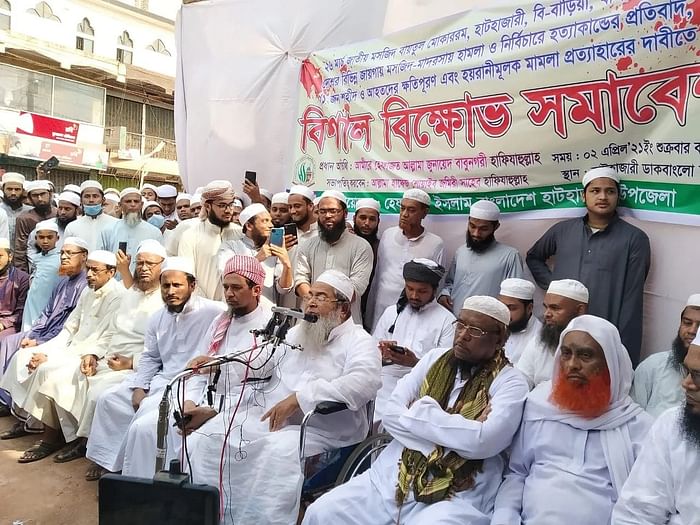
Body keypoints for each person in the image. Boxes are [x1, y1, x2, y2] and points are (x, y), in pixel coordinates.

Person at [303, 296, 529, 525]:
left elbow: (484, 442)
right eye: (460, 325)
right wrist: (462, 430)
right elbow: (391, 415)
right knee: (322, 512)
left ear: (500, 339)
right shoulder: (433, 359)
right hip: (392, 477)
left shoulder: (511, 383)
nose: (463, 335)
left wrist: (421, 410)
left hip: (457, 492)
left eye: (476, 330)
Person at [184, 270, 381, 524]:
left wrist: (301, 398)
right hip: (273, 420)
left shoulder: (360, 342)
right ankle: (213, 517)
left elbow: (364, 382)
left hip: (321, 429)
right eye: (310, 295)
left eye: (320, 297)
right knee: (209, 438)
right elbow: (260, 361)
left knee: (276, 452)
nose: (310, 301)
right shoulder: (298, 332)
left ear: (342, 309)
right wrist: (218, 364)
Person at [492, 315, 653, 525]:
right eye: (566, 354)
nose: (572, 365)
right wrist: (504, 518)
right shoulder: (538, 406)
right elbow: (516, 474)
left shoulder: (638, 427)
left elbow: (642, 505)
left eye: (586, 355)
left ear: (610, 364)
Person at [85, 257, 225, 479]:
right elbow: (150, 356)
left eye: (177, 285)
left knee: (144, 424)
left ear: (192, 285)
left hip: (190, 384)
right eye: (166, 285)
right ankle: (109, 461)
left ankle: (136, 475)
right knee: (108, 400)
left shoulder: (214, 311)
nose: (170, 291)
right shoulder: (157, 317)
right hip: (161, 378)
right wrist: (141, 386)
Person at [0, 251, 125, 462]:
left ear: (112, 272)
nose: (90, 274)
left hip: (95, 354)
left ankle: (53, 437)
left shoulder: (118, 296)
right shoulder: (88, 292)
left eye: (96, 270)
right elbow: (69, 329)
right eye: (89, 269)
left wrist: (59, 356)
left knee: (49, 371)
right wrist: (47, 351)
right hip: (72, 348)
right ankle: (30, 422)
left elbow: (108, 337)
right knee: (23, 357)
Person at [526, 166, 651, 366]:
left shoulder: (635, 239)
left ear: (618, 197)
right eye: (595, 191)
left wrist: (623, 354)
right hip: (560, 332)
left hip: (601, 336)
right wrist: (555, 287)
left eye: (610, 191)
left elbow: (631, 300)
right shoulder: (562, 231)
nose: (603, 196)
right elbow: (534, 257)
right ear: (584, 196)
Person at [74, 240, 165, 476]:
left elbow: (164, 349)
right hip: (110, 359)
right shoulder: (130, 294)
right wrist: (92, 354)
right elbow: (111, 331)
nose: (144, 268)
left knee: (99, 396)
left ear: (162, 267)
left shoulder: (166, 300)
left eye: (151, 264)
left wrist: (131, 362)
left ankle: (103, 456)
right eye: (141, 262)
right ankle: (85, 445)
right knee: (74, 376)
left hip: (136, 366)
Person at [611, 335, 700, 524]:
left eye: (698, 375)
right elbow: (636, 513)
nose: (686, 384)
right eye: (688, 372)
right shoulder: (672, 425)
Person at [0, 237, 89, 416]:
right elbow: (46, 313)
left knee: (23, 354)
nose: (64, 257)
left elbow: (70, 325)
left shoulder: (85, 284)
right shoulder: (63, 281)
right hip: (42, 330)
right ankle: (5, 400)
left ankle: (25, 413)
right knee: (11, 342)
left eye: (70, 253)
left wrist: (39, 340)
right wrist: (32, 333)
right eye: (62, 253)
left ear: (84, 256)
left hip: (60, 337)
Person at [372, 259, 455, 421]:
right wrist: (382, 353)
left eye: (422, 291)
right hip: (382, 386)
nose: (414, 296)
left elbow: (447, 370)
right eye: (410, 289)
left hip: (419, 392)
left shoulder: (447, 321)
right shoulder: (392, 313)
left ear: (434, 290)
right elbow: (371, 350)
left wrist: (415, 362)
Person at [367, 189, 443, 330]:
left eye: (411, 210)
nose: (404, 214)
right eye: (402, 208)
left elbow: (435, 285)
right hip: (381, 306)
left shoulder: (435, 243)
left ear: (424, 213)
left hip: (413, 309)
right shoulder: (388, 235)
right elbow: (378, 276)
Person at [295, 190, 373, 323]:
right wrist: (314, 303)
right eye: (323, 211)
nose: (327, 216)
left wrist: (324, 306)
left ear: (345, 213)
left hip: (345, 321)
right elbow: (300, 279)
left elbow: (355, 289)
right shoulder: (307, 246)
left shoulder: (361, 247)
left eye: (333, 211)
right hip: (310, 318)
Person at [438, 200, 523, 317]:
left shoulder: (510, 256)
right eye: (472, 226)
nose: (476, 233)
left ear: (496, 227)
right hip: (454, 321)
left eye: (483, 229)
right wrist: (444, 294)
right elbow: (450, 283)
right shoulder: (461, 251)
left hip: (486, 326)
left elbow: (514, 297)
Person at [631, 294, 700, 417]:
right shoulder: (653, 366)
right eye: (687, 323)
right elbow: (633, 418)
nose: (692, 331)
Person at [517, 279, 589, 388]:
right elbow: (520, 381)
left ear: (580, 310)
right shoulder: (538, 343)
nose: (546, 314)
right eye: (546, 307)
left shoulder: (601, 346)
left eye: (555, 308)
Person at [178, 180, 242, 300]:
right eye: (222, 206)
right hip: (201, 309)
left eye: (231, 205)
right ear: (207, 206)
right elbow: (187, 277)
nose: (228, 210)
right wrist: (208, 306)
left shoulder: (239, 233)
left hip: (236, 309)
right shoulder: (190, 235)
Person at [217, 203, 293, 304]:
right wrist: (258, 258)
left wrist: (286, 265)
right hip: (237, 311)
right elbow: (226, 275)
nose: (271, 225)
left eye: (270, 221)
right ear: (249, 226)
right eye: (265, 221)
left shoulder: (274, 249)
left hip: (267, 314)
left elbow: (283, 289)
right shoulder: (230, 247)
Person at [99, 187, 163, 276]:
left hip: (143, 284)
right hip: (114, 284)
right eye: (128, 201)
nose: (133, 205)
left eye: (136, 201)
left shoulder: (154, 232)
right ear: (120, 205)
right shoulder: (109, 230)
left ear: (141, 205)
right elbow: (102, 260)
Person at [23, 220, 62, 331]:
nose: (45, 241)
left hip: (50, 303)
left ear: (57, 238)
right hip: (32, 302)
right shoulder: (36, 258)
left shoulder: (61, 259)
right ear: (36, 239)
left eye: (50, 237)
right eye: (41, 237)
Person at [63, 180, 118, 251]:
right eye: (87, 196)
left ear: (103, 200)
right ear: (81, 201)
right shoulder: (72, 227)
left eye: (95, 196)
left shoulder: (115, 224)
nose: (91, 200)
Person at [14, 180, 56, 272]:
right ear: (29, 198)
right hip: (34, 268)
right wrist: (21, 275)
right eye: (35, 195)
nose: (40, 198)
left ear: (50, 194)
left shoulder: (59, 214)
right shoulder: (24, 218)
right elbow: (20, 250)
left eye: (43, 194)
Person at [498, 278, 542, 365]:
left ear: (529, 308)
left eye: (511, 308)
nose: (505, 313)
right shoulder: (493, 326)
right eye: (502, 306)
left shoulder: (540, 337)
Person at [352, 198, 381, 328]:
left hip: (371, 307)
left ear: (378, 221)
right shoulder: (343, 244)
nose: (366, 223)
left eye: (372, 219)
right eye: (362, 218)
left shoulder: (381, 247)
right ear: (354, 218)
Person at [0, 238, 30, 341]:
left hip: (10, 325)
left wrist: (3, 324)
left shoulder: (22, 279)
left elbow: (20, 311)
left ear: (10, 256)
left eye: (0, 256)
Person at [0, 172, 32, 247]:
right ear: (2, 189)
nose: (13, 193)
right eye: (9, 189)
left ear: (23, 191)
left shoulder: (31, 212)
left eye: (17, 189)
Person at [287, 185, 318, 250]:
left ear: (310, 206)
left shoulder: (322, 233)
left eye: (297, 206)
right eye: (290, 207)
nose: (292, 211)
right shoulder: (286, 234)